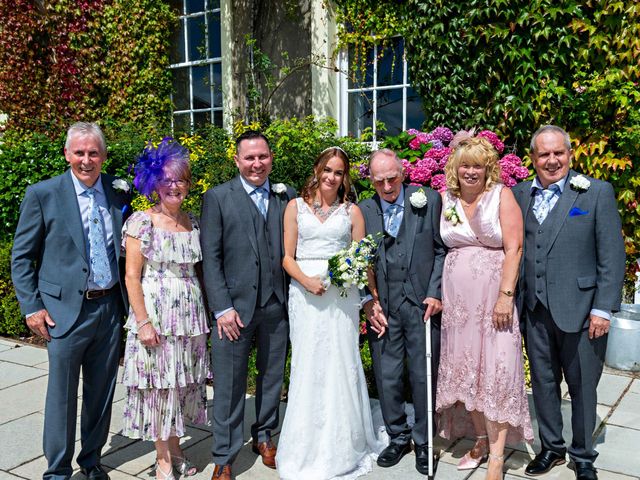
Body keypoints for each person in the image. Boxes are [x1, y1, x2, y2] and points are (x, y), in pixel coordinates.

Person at [11, 122, 131, 480]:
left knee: (102, 393)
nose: (86, 160)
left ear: (104, 156)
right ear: (67, 154)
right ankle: (58, 470)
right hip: (63, 313)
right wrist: (32, 306)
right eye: (79, 152)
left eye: (93, 152)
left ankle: (92, 462)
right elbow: (21, 257)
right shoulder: (43, 194)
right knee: (62, 396)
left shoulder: (117, 191)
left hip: (109, 308)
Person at [512, 126, 625, 480]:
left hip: (582, 311)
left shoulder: (596, 193)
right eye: (543, 154)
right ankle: (552, 448)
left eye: (558, 153)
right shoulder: (518, 195)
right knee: (544, 383)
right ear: (533, 159)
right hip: (535, 308)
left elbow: (612, 256)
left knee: (582, 387)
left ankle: (583, 454)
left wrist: (603, 308)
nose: (552, 160)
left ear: (570, 154)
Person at [276, 147, 386, 479]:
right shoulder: (294, 207)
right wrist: (307, 281)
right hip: (306, 295)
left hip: (341, 297)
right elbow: (286, 257)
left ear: (345, 177)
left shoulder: (352, 212)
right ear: (317, 169)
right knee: (308, 363)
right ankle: (304, 442)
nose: (332, 177)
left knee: (340, 362)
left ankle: (344, 442)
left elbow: (363, 260)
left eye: (338, 172)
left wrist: (372, 299)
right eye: (327, 170)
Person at [435, 137, 533, 480]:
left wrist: (506, 295)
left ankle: (496, 456)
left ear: (488, 167)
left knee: (496, 373)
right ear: (455, 168)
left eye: (478, 165)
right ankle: (479, 439)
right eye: (465, 165)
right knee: (466, 374)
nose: (471, 171)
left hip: (493, 301)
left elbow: (515, 248)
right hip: (459, 307)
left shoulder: (501, 196)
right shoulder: (445, 198)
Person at [200, 130, 295, 480]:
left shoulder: (287, 196)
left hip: (275, 305)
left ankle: (265, 436)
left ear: (271, 158)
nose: (257, 163)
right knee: (229, 384)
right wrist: (222, 308)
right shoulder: (218, 197)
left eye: (263, 157)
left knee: (271, 377)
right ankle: (224, 454)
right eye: (250, 158)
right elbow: (210, 258)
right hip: (234, 310)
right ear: (237, 160)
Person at [120, 138, 210, 480]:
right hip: (157, 313)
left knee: (179, 384)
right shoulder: (141, 222)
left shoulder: (194, 223)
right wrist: (143, 322)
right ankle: (162, 460)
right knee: (159, 385)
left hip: (189, 317)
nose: (175, 186)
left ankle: (176, 448)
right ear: (155, 183)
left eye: (181, 179)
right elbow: (131, 276)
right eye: (168, 179)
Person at [359, 148, 446, 476]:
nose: (386, 186)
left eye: (392, 178)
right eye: (379, 180)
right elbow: (357, 260)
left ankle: (425, 441)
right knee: (388, 373)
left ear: (403, 172)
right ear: (371, 180)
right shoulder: (363, 210)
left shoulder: (429, 200)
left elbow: (441, 249)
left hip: (421, 305)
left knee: (423, 376)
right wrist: (369, 300)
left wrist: (435, 292)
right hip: (384, 306)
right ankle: (398, 435)